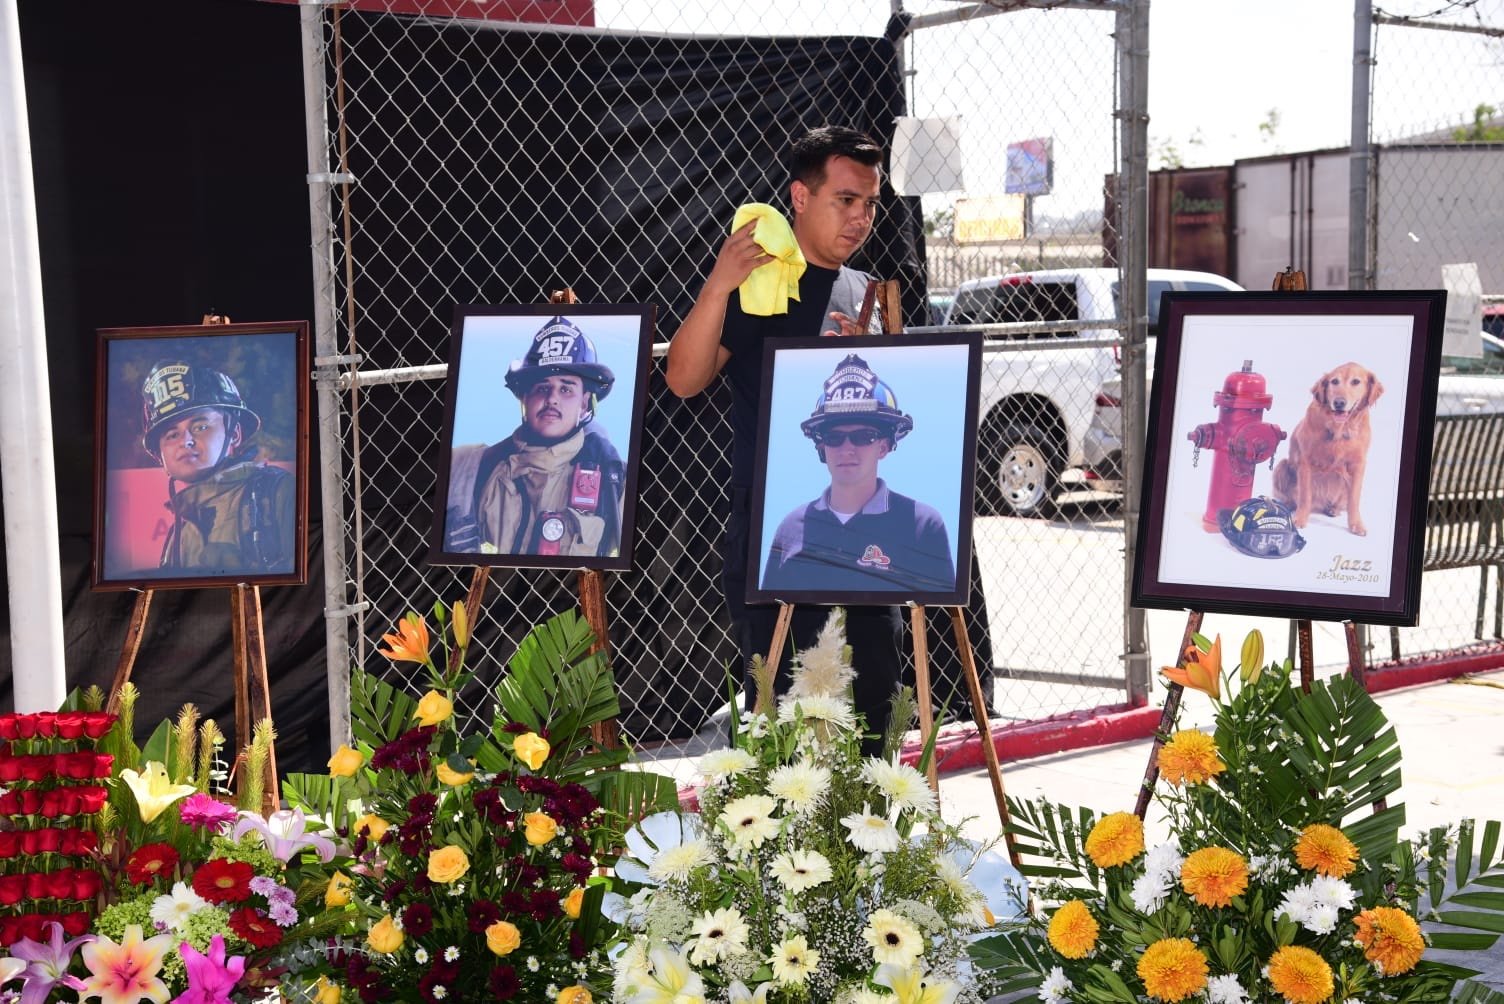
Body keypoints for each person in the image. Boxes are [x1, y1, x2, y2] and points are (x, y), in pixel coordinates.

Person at [665, 124, 905, 744]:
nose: (861, 218)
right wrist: (719, 283)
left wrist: (878, 362)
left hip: (869, 544)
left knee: (875, 719)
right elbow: (684, 380)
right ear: (800, 198)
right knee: (787, 730)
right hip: (777, 541)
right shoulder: (758, 284)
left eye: (870, 204)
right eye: (845, 200)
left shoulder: (868, 296)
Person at [763, 352, 955, 594]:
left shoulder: (923, 524)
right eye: (834, 438)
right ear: (822, 447)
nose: (847, 449)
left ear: (883, 447)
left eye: (863, 437)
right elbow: (771, 617)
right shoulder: (791, 527)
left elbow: (940, 619)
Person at [448, 315, 626, 558]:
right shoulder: (467, 469)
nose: (552, 398)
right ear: (524, 399)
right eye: (542, 388)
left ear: (584, 404)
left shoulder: (616, 480)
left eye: (566, 389)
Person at [140, 362, 295, 574]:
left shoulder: (279, 492)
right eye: (172, 434)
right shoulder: (179, 534)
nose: (186, 441)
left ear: (235, 433)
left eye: (200, 427)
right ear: (161, 457)